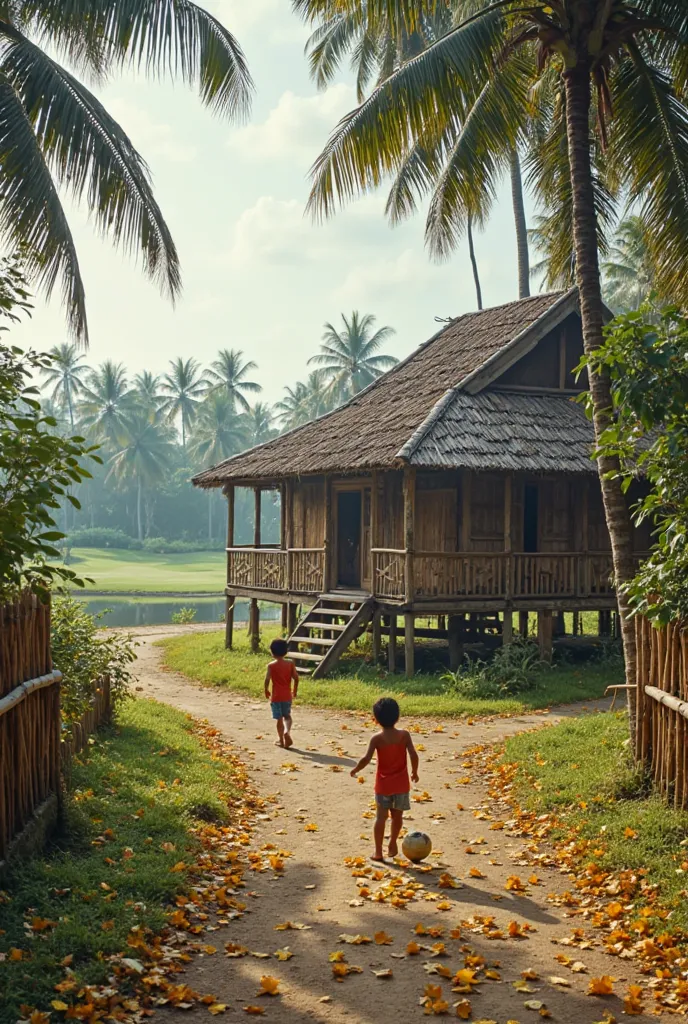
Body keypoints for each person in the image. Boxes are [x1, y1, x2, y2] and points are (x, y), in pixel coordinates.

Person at [350, 697, 419, 862]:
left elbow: (366, 759)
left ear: (376, 719)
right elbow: (413, 754)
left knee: (381, 818)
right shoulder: (404, 735)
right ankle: (393, 843)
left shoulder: (377, 739)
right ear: (398, 716)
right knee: (398, 817)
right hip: (402, 785)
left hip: (383, 786)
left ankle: (378, 852)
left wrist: (356, 769)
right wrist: (414, 772)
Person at [264, 637, 299, 748]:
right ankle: (287, 732)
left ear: (272, 652)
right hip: (287, 695)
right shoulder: (290, 664)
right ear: (285, 651)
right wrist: (295, 690)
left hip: (276, 696)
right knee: (287, 716)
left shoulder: (271, 666)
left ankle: (281, 740)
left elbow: (267, 679)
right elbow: (296, 678)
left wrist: (266, 690)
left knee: (279, 719)